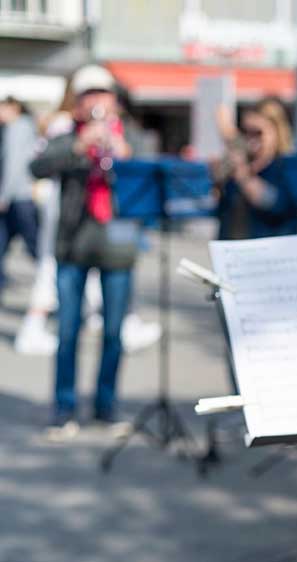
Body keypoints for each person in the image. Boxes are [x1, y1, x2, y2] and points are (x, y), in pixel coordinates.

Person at [29, 64, 147, 437]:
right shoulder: (66, 135)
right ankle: (63, 408)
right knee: (67, 332)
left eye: (102, 94)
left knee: (113, 332)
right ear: (78, 103)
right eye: (88, 95)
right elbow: (38, 166)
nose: (96, 101)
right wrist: (80, 146)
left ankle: (105, 405)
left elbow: (147, 171)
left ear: (115, 100)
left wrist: (122, 151)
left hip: (117, 246)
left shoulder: (131, 135)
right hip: (73, 244)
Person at [216, 98, 297, 240]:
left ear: (277, 132)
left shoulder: (286, 167)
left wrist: (242, 174)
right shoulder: (241, 165)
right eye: (246, 132)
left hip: (271, 248)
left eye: (257, 133)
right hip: (233, 246)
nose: (250, 139)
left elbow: (274, 204)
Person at [0, 96, 40, 300]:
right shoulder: (21, 127)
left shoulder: (18, 128)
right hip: (17, 195)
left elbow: (14, 165)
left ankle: (49, 281)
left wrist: (3, 195)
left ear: (13, 108)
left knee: (34, 244)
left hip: (19, 196)